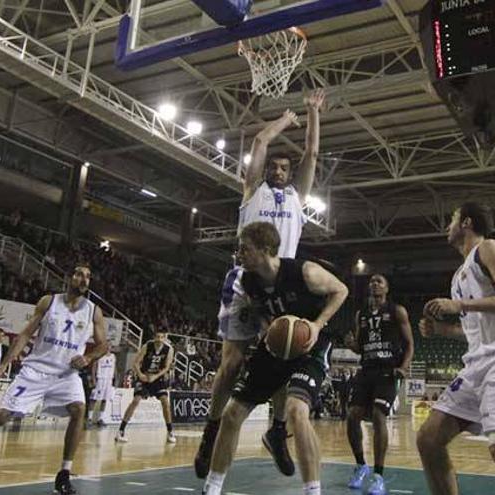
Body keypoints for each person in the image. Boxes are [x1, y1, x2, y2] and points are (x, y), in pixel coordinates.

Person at [195, 89, 326, 479]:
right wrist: (287, 117)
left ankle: (277, 431)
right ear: (267, 170)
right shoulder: (253, 192)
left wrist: (313, 113)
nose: (280, 172)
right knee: (232, 363)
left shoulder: (298, 200)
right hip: (244, 282)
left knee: (286, 358)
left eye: (286, 169)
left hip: (283, 286)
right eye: (276, 167)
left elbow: (313, 156)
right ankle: (212, 429)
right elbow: (259, 141)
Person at [202, 221, 349, 495]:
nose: (238, 254)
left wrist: (317, 325)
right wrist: (270, 327)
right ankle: (211, 489)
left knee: (297, 410)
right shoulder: (248, 281)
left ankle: (312, 491)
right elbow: (262, 311)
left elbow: (342, 290)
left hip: (310, 347)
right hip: (278, 346)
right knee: (232, 414)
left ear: (266, 249)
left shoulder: (305, 272)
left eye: (245, 249)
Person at [0, 263, 108, 495]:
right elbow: (26, 333)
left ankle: (64, 474)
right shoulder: (49, 302)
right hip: (35, 370)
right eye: (80, 274)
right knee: (0, 416)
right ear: (71, 278)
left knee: (79, 409)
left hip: (65, 374)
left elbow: (104, 345)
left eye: (88, 277)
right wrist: (5, 364)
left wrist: (88, 358)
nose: (84, 279)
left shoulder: (93, 311)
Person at [415, 202, 495, 495]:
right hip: (477, 364)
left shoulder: (489, 249)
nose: (448, 224)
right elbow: (477, 332)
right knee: (429, 438)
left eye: (453, 218)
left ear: (467, 223)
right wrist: (442, 331)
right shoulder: (459, 274)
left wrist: (460, 305)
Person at [346, 274, 414, 494]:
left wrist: (403, 367)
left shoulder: (397, 311)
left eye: (379, 281)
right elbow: (360, 346)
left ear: (387, 288)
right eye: (372, 281)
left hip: (387, 371)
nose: (374, 284)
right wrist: (352, 345)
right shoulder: (361, 315)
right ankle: (360, 466)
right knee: (352, 416)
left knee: (377, 416)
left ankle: (378, 475)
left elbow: (410, 344)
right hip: (366, 370)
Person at [116, 330, 177, 444]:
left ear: (164, 338)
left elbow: (167, 367)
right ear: (154, 337)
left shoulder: (169, 349)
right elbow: (135, 363)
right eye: (157, 337)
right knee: (135, 401)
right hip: (144, 376)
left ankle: (170, 431)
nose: (159, 339)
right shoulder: (147, 346)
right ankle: (121, 431)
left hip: (158, 378)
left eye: (161, 337)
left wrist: (155, 376)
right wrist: (140, 375)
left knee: (165, 402)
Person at [89, 345, 117, 427]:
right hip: (100, 379)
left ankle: (101, 419)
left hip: (109, 380)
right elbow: (93, 368)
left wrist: (116, 379)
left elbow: (114, 368)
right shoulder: (99, 356)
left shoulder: (113, 356)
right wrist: (93, 379)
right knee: (94, 399)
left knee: (105, 399)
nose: (108, 347)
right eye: (107, 345)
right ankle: (89, 419)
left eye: (110, 346)